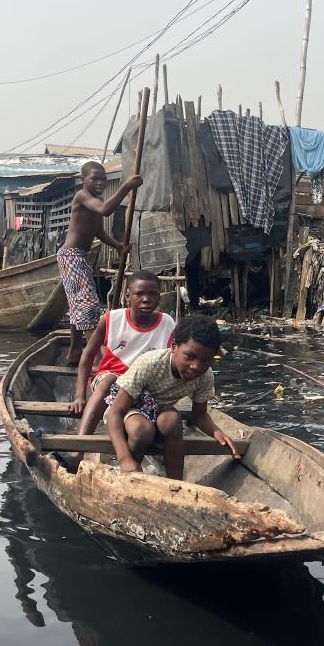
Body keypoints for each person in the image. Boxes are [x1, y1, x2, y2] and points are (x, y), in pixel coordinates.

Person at [65, 270, 174, 472]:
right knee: (108, 381)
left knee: (142, 433)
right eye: (139, 294)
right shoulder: (111, 319)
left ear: (159, 297)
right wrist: (80, 395)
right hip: (110, 378)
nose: (146, 299)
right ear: (127, 296)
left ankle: (129, 466)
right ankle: (77, 449)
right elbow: (87, 356)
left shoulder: (167, 323)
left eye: (152, 294)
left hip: (144, 389)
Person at [105, 315, 239, 479]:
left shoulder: (205, 376)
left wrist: (216, 431)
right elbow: (116, 412)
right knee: (142, 429)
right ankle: (130, 473)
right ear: (174, 346)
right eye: (189, 356)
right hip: (133, 408)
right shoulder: (150, 363)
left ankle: (176, 482)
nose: (196, 367)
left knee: (172, 419)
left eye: (205, 361)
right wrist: (124, 458)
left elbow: (200, 414)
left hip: (158, 412)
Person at [58, 160, 142, 365]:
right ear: (82, 179)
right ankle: (97, 360)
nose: (100, 183)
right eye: (94, 178)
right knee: (87, 306)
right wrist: (126, 186)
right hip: (71, 256)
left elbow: (98, 231)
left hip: (79, 256)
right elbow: (105, 210)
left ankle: (75, 352)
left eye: (103, 179)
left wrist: (118, 246)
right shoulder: (82, 196)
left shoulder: (96, 199)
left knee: (78, 305)